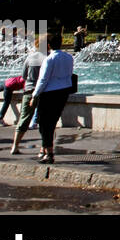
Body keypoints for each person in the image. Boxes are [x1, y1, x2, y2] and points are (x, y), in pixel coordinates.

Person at [30, 34, 74, 163]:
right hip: (63, 92)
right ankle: (45, 150)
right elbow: (70, 74)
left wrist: (35, 95)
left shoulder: (49, 59)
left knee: (44, 124)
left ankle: (49, 153)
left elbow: (43, 79)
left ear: (48, 45)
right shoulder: (69, 57)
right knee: (52, 122)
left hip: (49, 93)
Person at [10, 38, 46, 155]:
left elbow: (24, 76)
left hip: (29, 91)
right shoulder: (47, 58)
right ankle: (44, 148)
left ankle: (15, 146)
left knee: (24, 119)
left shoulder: (29, 57)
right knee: (46, 122)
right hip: (43, 92)